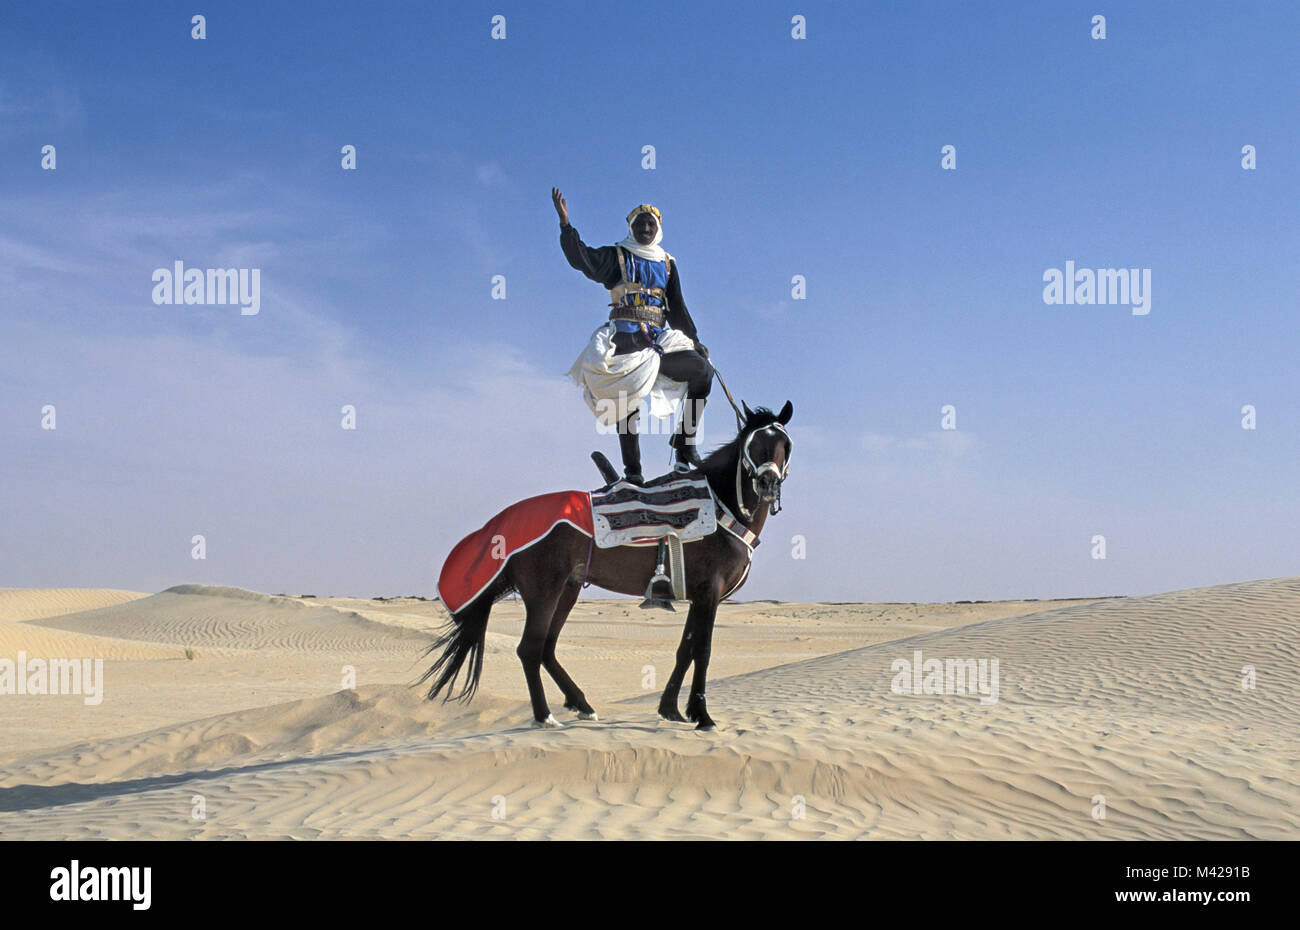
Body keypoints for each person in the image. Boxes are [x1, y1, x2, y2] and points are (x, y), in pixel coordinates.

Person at [554, 188, 712, 484]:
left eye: (650, 224)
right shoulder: (618, 256)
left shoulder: (667, 263)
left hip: (658, 340)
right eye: (640, 224)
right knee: (625, 400)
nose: (645, 228)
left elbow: (677, 306)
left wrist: (694, 339)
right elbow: (583, 259)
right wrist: (566, 226)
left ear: (658, 228)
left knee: (702, 372)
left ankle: (685, 446)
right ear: (631, 227)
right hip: (625, 339)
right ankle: (634, 473)